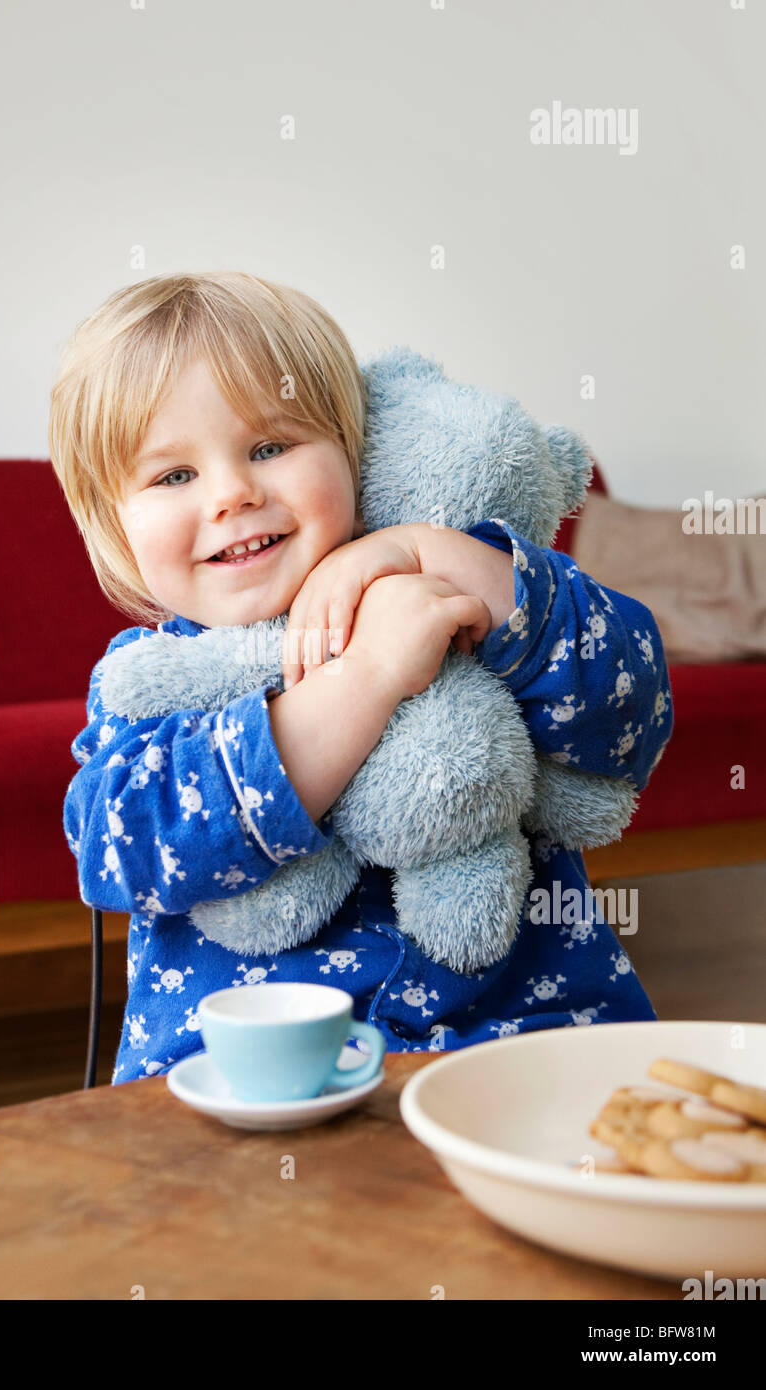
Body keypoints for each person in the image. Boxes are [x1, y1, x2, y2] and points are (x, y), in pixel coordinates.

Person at [48, 270, 674, 1084]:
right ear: (113, 527)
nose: (235, 493)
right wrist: (369, 673)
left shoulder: (459, 590)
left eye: (270, 447)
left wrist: (429, 554)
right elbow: (121, 852)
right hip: (245, 1081)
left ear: (354, 450)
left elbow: (634, 711)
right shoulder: (149, 681)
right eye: (173, 476)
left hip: (524, 1044)